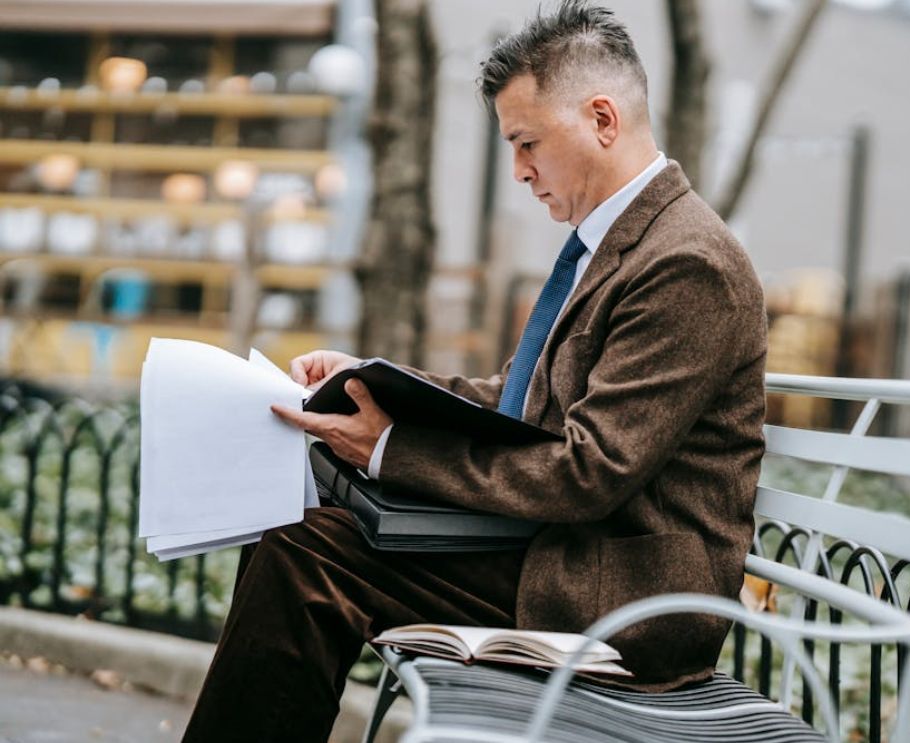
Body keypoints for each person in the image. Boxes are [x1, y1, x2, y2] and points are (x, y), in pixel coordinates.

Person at [181, 2, 766, 740]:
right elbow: (517, 402)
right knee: (297, 526)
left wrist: (390, 450)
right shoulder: (622, 243)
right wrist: (371, 381)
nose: (519, 171)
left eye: (527, 143)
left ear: (602, 120)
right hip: (561, 555)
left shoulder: (686, 263)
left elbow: (588, 471)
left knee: (309, 551)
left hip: (623, 598)